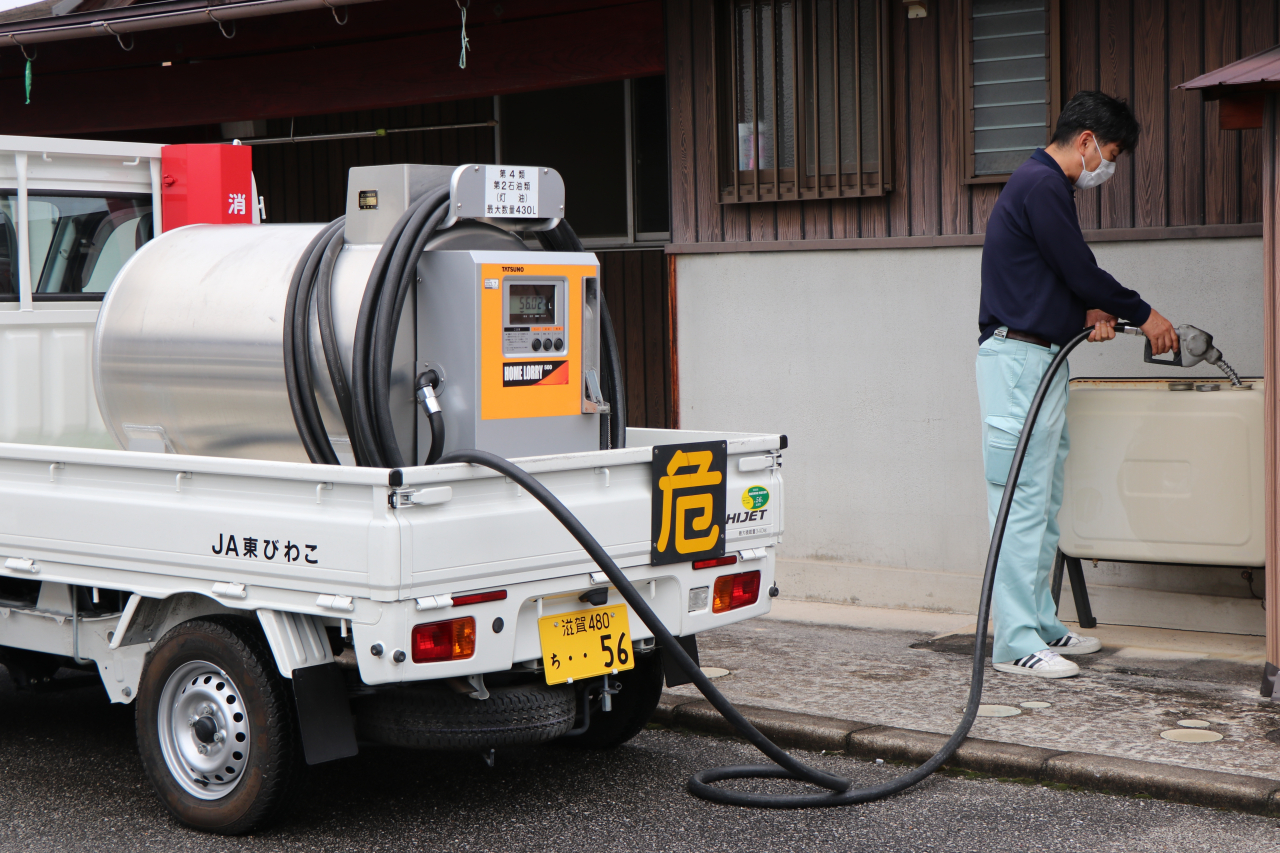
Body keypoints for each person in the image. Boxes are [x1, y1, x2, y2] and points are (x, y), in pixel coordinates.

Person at [976, 91, 1179, 679]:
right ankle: (1014, 643)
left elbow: (1049, 277)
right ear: (1086, 140)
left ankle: (1039, 624)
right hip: (1018, 363)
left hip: (1039, 359)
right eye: (1109, 154)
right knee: (1017, 504)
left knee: (1041, 503)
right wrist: (1143, 313)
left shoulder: (1046, 188)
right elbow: (1079, 269)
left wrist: (1084, 314)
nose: (1107, 169)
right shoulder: (1041, 185)